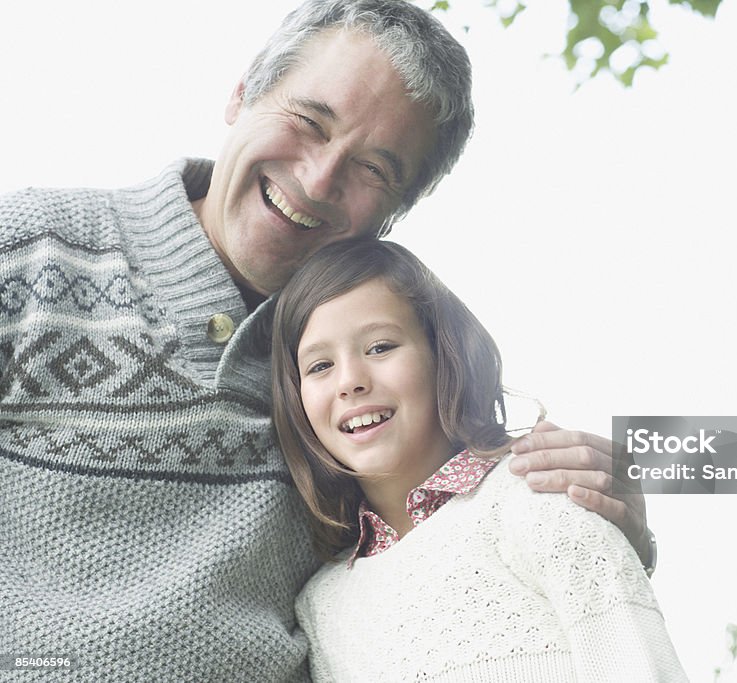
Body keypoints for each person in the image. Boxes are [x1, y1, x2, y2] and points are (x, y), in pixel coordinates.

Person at [0, 0, 653, 679]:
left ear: (399, 212)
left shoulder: (374, 388)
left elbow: (451, 555)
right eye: (309, 121)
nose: (317, 180)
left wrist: (606, 519)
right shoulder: (29, 250)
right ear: (243, 91)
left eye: (374, 169)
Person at [271, 238, 685, 681]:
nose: (350, 380)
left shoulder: (539, 494)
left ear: (441, 355)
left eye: (380, 347)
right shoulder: (321, 606)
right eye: (319, 367)